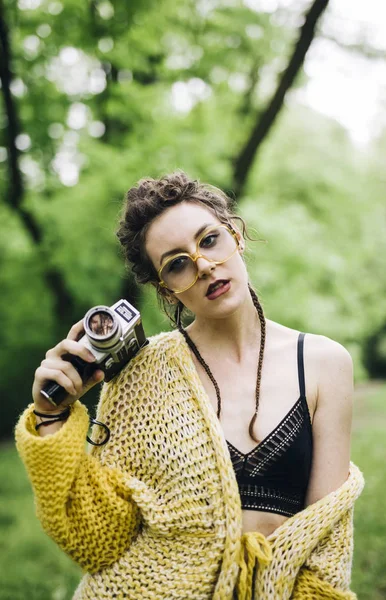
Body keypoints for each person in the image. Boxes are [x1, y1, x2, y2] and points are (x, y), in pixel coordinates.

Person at [15, 171, 365, 600]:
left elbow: (325, 545)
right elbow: (96, 541)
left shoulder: (324, 364)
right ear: (166, 289)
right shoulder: (141, 375)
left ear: (235, 235)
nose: (202, 265)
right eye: (177, 264)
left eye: (210, 240)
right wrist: (52, 417)